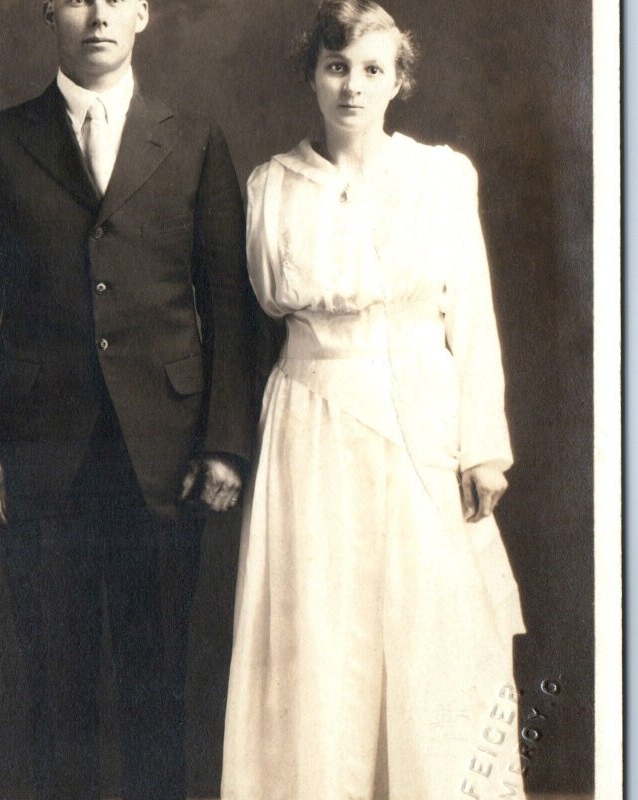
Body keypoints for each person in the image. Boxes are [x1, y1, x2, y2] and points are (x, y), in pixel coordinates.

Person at [0, 1, 253, 798]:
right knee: (56, 692)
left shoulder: (196, 138)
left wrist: (224, 443)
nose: (98, 14)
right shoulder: (0, 142)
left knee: (160, 687)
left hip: (167, 457)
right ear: (50, 13)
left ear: (144, 14)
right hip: (40, 454)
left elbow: (230, 308)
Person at [221, 2, 526, 798]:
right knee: (322, 629)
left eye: (371, 69)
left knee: (433, 628)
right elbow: (257, 315)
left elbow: (475, 318)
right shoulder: (270, 188)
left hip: (420, 415)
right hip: (311, 421)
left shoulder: (441, 177)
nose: (352, 87)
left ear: (399, 80)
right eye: (335, 67)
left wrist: (482, 445)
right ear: (312, 76)